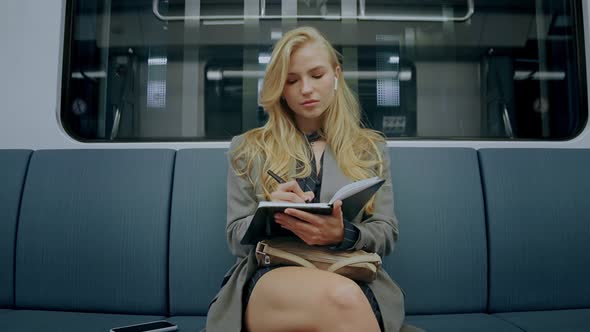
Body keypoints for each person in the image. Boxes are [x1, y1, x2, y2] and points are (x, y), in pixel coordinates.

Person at [206, 26, 411, 332]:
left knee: (344, 299)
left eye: (317, 75)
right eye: (292, 80)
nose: (305, 89)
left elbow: (386, 232)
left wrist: (343, 234)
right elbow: (236, 237)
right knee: (343, 300)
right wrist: (269, 210)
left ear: (336, 75)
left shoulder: (370, 150)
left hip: (348, 272)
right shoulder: (248, 149)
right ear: (280, 88)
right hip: (273, 275)